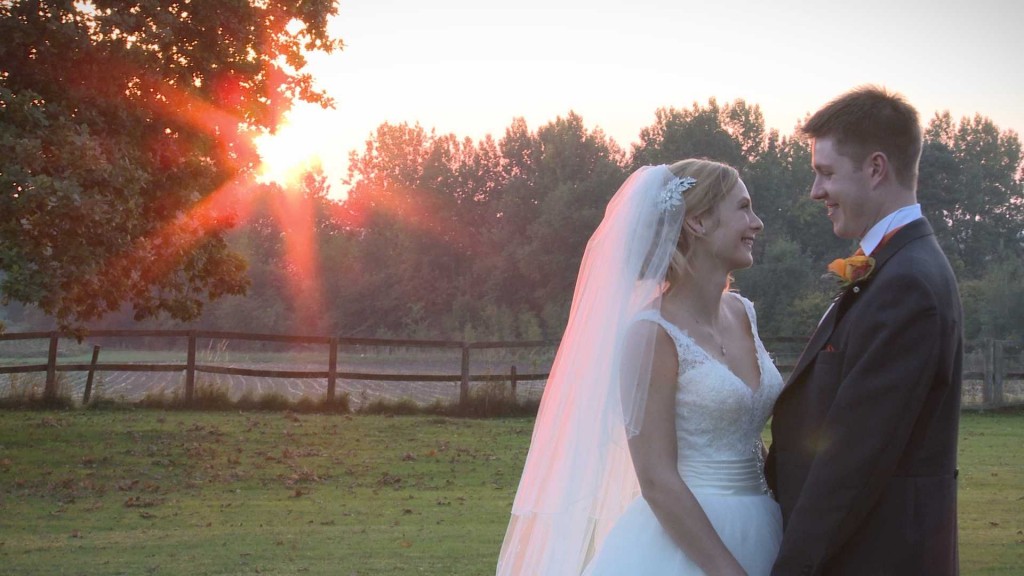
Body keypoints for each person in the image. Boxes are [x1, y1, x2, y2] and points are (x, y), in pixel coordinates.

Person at [497, 158, 782, 575]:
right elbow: (656, 479)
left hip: (765, 525)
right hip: (692, 543)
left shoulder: (744, 313)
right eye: (743, 208)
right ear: (698, 222)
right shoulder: (651, 333)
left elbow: (744, 429)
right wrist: (727, 570)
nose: (756, 223)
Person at [765, 86, 963, 575]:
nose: (816, 192)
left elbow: (854, 460)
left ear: (876, 169)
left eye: (826, 173)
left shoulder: (907, 283)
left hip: (875, 556)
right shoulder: (897, 266)